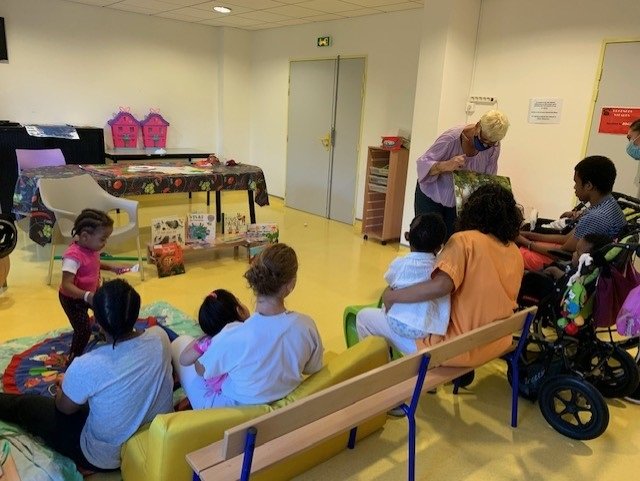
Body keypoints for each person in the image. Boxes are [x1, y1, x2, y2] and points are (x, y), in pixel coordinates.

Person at [0, 279, 174, 472]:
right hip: (157, 437)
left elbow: (64, 408)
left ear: (97, 322)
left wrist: (65, 383)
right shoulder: (160, 337)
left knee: (26, 406)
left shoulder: (87, 365)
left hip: (105, 457)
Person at [380, 183, 524, 371]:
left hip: (454, 348)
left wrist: (392, 296)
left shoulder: (464, 241)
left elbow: (440, 286)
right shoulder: (514, 251)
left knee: (367, 319)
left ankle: (379, 383)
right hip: (495, 343)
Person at [171, 243, 324, 409]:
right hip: (281, 413)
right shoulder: (306, 326)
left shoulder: (232, 335)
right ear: (291, 284)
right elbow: (311, 368)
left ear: (255, 281)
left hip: (229, 415)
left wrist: (207, 344)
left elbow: (201, 370)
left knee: (180, 343)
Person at [356, 213, 450, 355]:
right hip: (426, 331)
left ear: (408, 238)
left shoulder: (400, 264)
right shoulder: (440, 269)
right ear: (439, 248)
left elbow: (390, 281)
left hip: (399, 327)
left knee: (362, 317)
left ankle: (380, 363)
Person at [517, 156, 627, 271]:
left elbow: (562, 252)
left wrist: (525, 242)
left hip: (571, 264)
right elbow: (566, 238)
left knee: (516, 254)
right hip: (589, 259)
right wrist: (528, 235)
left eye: (576, 183)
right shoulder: (608, 204)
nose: (574, 187)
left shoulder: (596, 217)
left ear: (588, 185)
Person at [415, 110, 510, 238]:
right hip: (431, 196)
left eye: (491, 143)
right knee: (426, 240)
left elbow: (489, 180)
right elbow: (422, 166)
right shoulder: (451, 139)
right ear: (478, 126)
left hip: (458, 203)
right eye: (484, 140)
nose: (486, 145)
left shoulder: (494, 147)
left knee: (454, 243)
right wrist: (445, 165)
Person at [58, 208, 125, 363]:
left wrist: (113, 268)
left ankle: (106, 334)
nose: (105, 243)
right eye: (103, 239)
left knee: (106, 313)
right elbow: (66, 285)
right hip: (73, 300)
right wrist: (87, 296)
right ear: (85, 236)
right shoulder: (72, 257)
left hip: (91, 293)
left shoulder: (91, 248)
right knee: (83, 330)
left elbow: (94, 263)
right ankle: (74, 359)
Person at [176, 289, 250, 401]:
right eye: (238, 301)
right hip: (247, 389)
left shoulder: (209, 343)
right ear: (239, 310)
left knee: (181, 341)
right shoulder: (252, 330)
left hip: (223, 393)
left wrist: (202, 338)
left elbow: (184, 360)